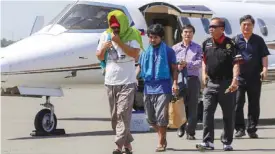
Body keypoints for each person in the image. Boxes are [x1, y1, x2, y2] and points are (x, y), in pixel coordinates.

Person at [96, 10, 143, 154]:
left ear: (123, 25)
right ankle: (127, 144)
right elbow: (99, 56)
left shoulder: (132, 34)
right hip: (110, 81)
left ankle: (118, 146)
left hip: (127, 81)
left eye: (117, 27)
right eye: (113, 27)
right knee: (115, 116)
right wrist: (104, 47)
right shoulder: (105, 35)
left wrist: (119, 42)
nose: (115, 30)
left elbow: (135, 55)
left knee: (123, 112)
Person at [195, 17, 240, 151]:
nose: (210, 29)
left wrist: (235, 80)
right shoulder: (206, 43)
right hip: (211, 84)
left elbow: (236, 63)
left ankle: (227, 141)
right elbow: (204, 60)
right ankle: (208, 141)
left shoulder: (231, 44)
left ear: (222, 29)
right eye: (210, 26)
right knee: (207, 112)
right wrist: (203, 74)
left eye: (214, 26)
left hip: (227, 83)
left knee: (228, 114)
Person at [136, 24, 178, 152]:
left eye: (155, 37)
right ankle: (161, 135)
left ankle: (160, 142)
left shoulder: (169, 51)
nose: (152, 40)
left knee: (161, 117)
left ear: (161, 38)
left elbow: (174, 69)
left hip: (163, 87)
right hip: (148, 87)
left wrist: (175, 83)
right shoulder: (144, 51)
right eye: (150, 37)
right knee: (150, 118)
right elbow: (140, 67)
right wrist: (134, 78)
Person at [234, 15, 270, 138]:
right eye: (244, 24)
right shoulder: (235, 40)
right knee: (238, 103)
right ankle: (239, 128)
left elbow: (264, 56)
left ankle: (252, 129)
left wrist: (265, 69)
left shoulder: (258, 40)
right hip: (239, 78)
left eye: (249, 24)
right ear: (240, 26)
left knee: (254, 104)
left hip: (255, 77)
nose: (246, 27)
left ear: (253, 26)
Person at [172, 24, 203, 140]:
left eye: (190, 32)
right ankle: (181, 126)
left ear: (193, 34)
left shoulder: (197, 48)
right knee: (180, 104)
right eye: (185, 32)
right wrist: (177, 67)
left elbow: (199, 63)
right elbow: (171, 64)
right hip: (179, 78)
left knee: (193, 106)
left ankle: (191, 131)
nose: (187, 34)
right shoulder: (175, 48)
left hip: (192, 79)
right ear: (181, 34)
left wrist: (187, 64)